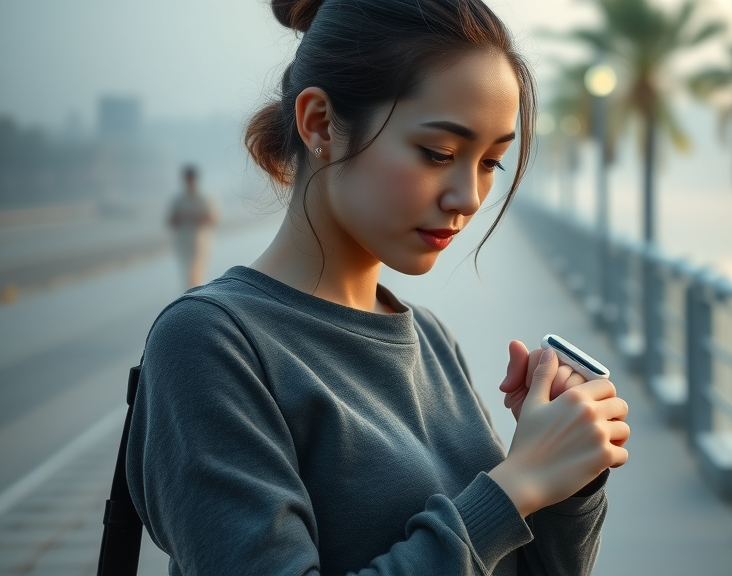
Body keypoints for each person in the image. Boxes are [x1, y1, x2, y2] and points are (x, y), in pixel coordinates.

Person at [126, 0, 630, 574]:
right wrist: (514, 487)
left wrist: (565, 478)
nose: (467, 197)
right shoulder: (212, 342)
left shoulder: (431, 339)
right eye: (439, 153)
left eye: (491, 161)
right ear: (319, 123)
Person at [166, 164, 218, 289]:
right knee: (186, 273)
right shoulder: (178, 199)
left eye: (191, 179)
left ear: (195, 179)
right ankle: (191, 297)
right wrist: (180, 217)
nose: (189, 182)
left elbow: (213, 219)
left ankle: (194, 299)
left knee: (196, 273)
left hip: (200, 241)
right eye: (187, 179)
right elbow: (171, 221)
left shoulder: (204, 198)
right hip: (183, 241)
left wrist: (196, 217)